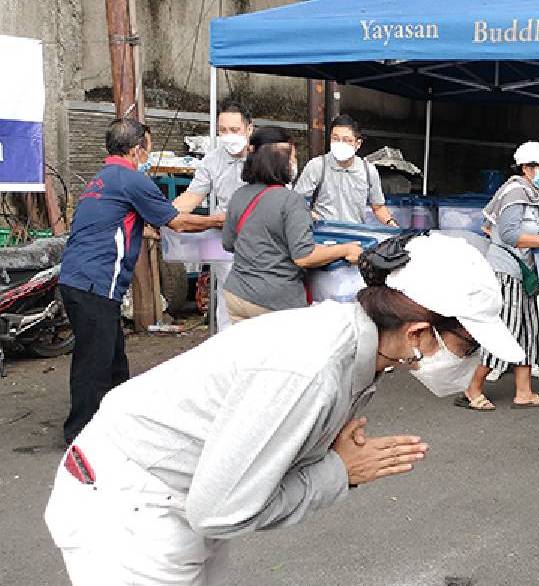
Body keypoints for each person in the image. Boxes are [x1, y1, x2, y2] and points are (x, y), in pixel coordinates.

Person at [44, 231, 525, 586]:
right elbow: (223, 510)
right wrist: (337, 473)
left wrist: (325, 458)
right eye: (468, 347)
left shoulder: (355, 348)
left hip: (173, 499)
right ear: (419, 333)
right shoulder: (312, 366)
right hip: (126, 506)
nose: (471, 363)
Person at [58, 118, 222, 444]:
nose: (148, 152)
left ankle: (120, 415)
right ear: (136, 149)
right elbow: (177, 222)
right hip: (96, 283)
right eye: (147, 145)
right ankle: (80, 433)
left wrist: (154, 234)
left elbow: (125, 224)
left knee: (113, 355)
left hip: (77, 279)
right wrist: (220, 219)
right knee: (94, 360)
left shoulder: (101, 179)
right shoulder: (132, 179)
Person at [460, 140, 539, 411]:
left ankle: (524, 391)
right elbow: (508, 234)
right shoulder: (515, 192)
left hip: (526, 272)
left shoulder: (534, 194)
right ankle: (472, 389)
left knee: (528, 329)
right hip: (507, 270)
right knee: (505, 331)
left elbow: (534, 232)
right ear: (527, 167)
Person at [221, 126, 363, 323]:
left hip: (236, 295)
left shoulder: (239, 195)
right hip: (274, 302)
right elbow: (304, 256)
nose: (295, 163)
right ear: (279, 161)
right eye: (292, 158)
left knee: (249, 353)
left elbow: (228, 243)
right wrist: (344, 249)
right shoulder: (291, 201)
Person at [171, 99, 254, 332]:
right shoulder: (212, 161)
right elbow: (191, 197)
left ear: (249, 129)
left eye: (234, 130)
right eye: (223, 131)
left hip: (260, 242)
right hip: (225, 241)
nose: (229, 136)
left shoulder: (263, 156)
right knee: (228, 303)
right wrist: (163, 215)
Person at [293, 114, 397, 226]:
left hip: (355, 234)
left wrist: (390, 223)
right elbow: (296, 202)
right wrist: (312, 215)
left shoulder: (368, 171)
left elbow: (378, 207)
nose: (340, 144)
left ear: (358, 143)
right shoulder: (317, 166)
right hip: (323, 234)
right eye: (335, 139)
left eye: (347, 140)